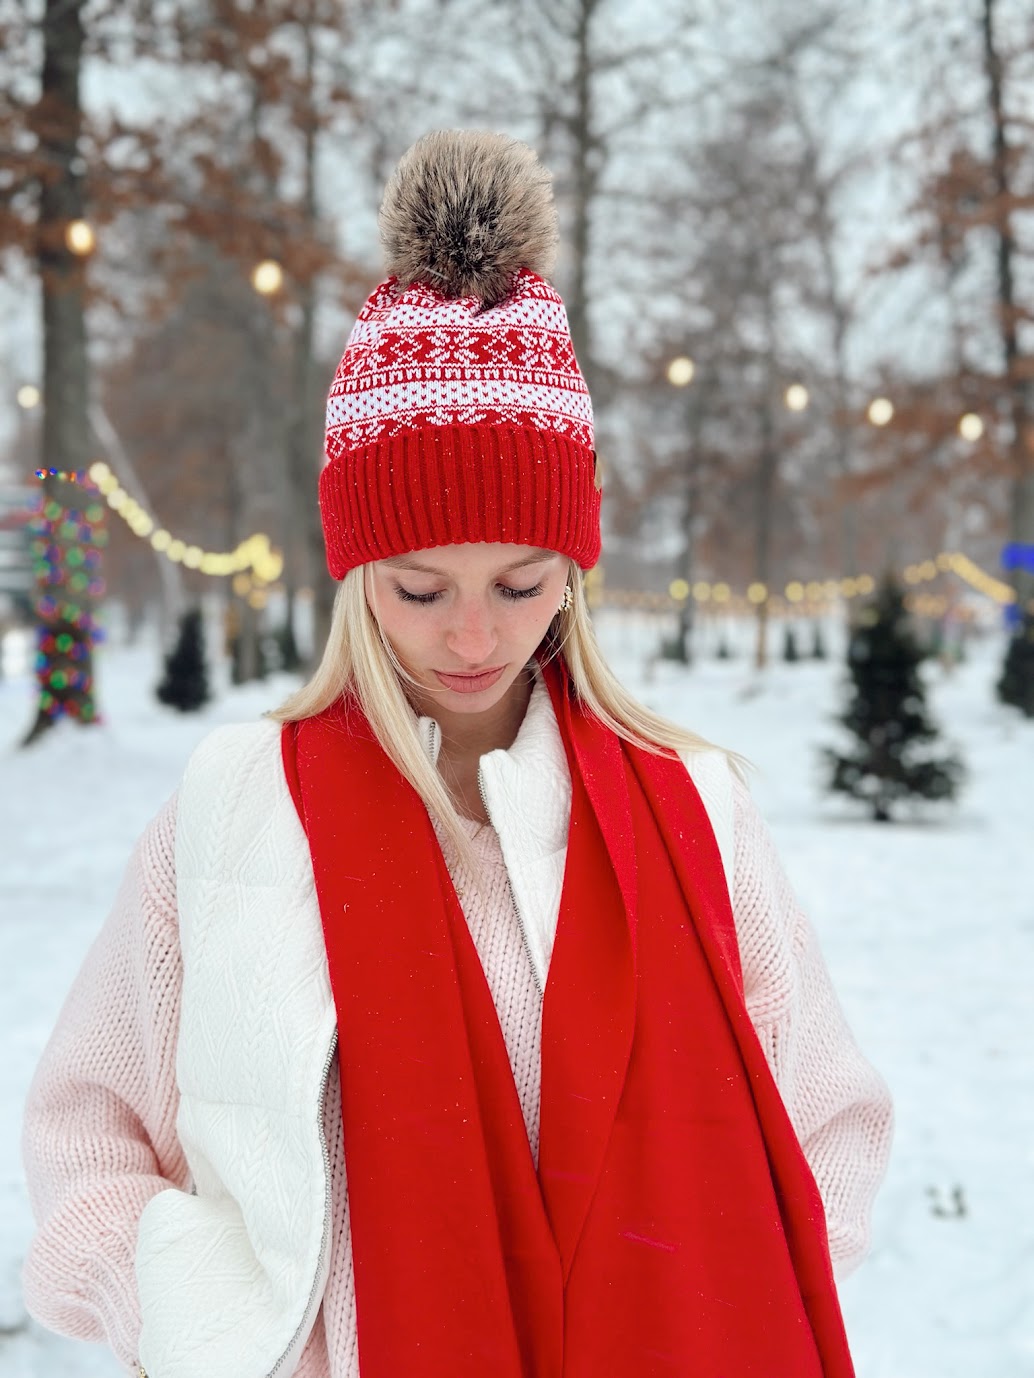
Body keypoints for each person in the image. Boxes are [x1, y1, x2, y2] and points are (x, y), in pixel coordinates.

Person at [21, 130, 892, 1378]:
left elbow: (827, 1120)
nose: (473, 635)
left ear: (573, 570)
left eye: (519, 580)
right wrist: (210, 1316)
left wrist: (714, 1303)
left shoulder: (694, 813)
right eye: (420, 587)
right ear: (355, 568)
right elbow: (85, 1137)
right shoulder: (236, 814)